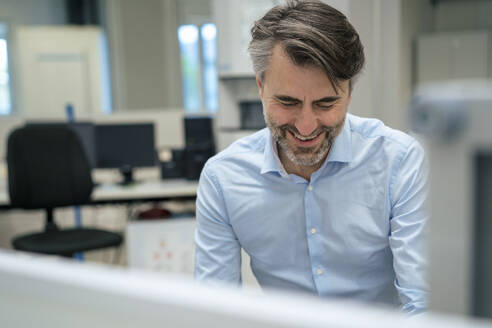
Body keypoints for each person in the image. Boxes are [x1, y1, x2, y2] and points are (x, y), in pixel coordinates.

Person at [194, 0, 428, 314]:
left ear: (349, 92)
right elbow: (214, 309)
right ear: (261, 86)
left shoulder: (398, 162)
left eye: (325, 103)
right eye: (288, 102)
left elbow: (424, 302)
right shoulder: (223, 179)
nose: (306, 126)